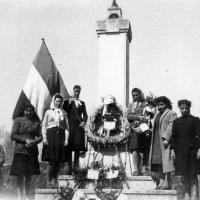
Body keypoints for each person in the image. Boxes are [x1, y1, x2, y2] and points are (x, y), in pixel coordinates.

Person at [10, 103, 42, 200]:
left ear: (33, 111)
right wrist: (25, 140)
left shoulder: (36, 122)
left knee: (29, 174)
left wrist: (34, 141)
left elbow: (40, 137)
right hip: (20, 151)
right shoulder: (18, 120)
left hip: (32, 151)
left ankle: (27, 195)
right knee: (20, 174)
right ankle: (20, 196)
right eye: (27, 111)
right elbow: (13, 135)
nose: (28, 112)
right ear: (24, 111)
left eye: (30, 111)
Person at [170, 100, 200, 200]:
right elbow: (173, 138)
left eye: (186, 108)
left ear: (189, 108)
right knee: (183, 175)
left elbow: (199, 136)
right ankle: (186, 196)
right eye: (182, 108)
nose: (184, 110)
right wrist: (172, 150)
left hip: (192, 152)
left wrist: (199, 149)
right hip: (180, 153)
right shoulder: (176, 122)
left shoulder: (195, 120)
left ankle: (195, 196)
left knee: (193, 174)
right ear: (179, 109)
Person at [149, 96, 177, 190]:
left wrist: (166, 138)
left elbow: (171, 126)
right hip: (156, 140)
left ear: (167, 104)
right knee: (158, 161)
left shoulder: (171, 113)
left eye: (161, 105)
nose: (159, 107)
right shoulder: (157, 114)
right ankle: (161, 181)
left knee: (166, 161)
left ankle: (166, 182)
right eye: (158, 105)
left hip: (164, 141)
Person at [42, 93, 69, 188]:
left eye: (60, 102)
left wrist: (66, 139)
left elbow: (66, 128)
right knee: (51, 160)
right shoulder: (48, 112)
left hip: (60, 136)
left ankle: (55, 181)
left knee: (58, 160)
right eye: (57, 101)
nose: (58, 103)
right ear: (54, 101)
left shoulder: (64, 113)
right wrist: (44, 138)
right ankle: (48, 181)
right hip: (50, 136)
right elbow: (44, 126)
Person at [63, 85, 88, 174]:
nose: (76, 93)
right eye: (75, 91)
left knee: (77, 148)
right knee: (69, 148)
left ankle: (76, 168)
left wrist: (83, 122)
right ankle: (70, 169)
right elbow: (65, 110)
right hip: (70, 126)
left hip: (78, 127)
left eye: (78, 92)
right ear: (73, 91)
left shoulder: (82, 103)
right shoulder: (67, 101)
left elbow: (85, 115)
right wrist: (69, 103)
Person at [127, 88, 149, 175]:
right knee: (135, 148)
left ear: (140, 94)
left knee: (144, 148)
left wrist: (144, 118)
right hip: (135, 128)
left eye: (137, 95)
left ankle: (144, 168)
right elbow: (128, 116)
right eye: (134, 95)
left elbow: (147, 115)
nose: (136, 96)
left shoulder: (145, 104)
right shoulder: (131, 105)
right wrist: (138, 118)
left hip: (144, 128)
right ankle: (135, 169)